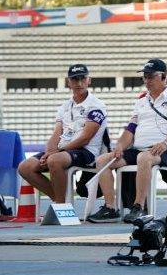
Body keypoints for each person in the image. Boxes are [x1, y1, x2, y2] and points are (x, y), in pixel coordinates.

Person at [86, 58, 167, 223]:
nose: (147, 81)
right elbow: (130, 130)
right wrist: (119, 145)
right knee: (103, 159)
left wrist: (165, 144)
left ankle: (138, 206)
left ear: (164, 77)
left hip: (163, 151)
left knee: (144, 157)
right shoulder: (141, 101)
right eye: (145, 77)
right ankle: (111, 208)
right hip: (138, 149)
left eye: (151, 76)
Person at [17, 64, 107, 205]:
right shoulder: (64, 106)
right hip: (63, 151)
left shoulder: (96, 105)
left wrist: (57, 152)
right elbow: (56, 134)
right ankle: (61, 202)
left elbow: (85, 138)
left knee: (55, 160)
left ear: (89, 80)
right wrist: (49, 151)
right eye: (75, 80)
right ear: (68, 82)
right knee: (25, 167)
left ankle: (60, 204)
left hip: (87, 152)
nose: (79, 83)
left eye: (83, 79)